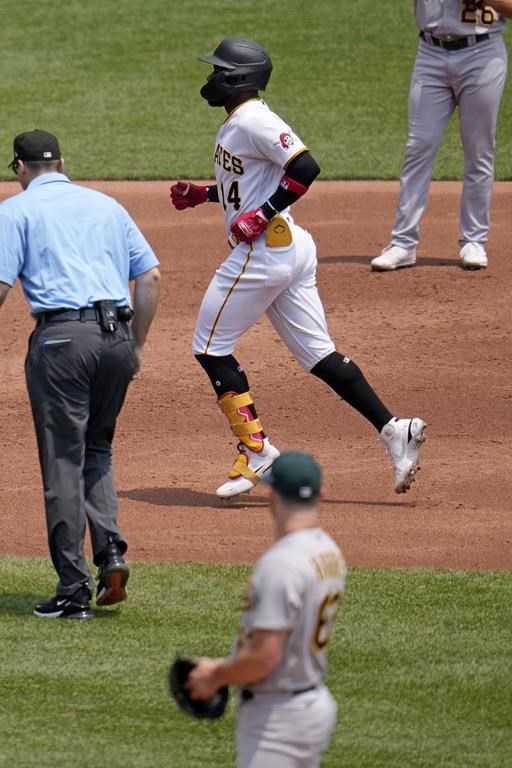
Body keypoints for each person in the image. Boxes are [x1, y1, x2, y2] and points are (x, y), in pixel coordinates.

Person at [170, 38, 426, 499]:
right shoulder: (240, 121)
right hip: (290, 249)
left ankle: (258, 449)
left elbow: (305, 167)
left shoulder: (254, 119)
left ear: (236, 77)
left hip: (265, 251)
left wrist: (262, 213)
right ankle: (395, 430)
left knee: (209, 347)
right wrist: (205, 195)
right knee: (319, 354)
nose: (210, 78)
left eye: (217, 70)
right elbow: (251, 182)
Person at [0, 129, 161, 619]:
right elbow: (150, 277)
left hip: (62, 343)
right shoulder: (107, 205)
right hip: (115, 338)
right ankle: (110, 550)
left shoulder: (16, 211)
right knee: (97, 448)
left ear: (20, 168)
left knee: (63, 460)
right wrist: (135, 347)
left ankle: (73, 590)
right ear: (63, 163)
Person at [186, 450, 347, 768]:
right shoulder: (329, 551)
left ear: (271, 495)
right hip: (310, 701)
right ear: (321, 494)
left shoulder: (280, 565)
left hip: (277, 717)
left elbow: (265, 657)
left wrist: (215, 676)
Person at [371, 0, 512, 272]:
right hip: (430, 54)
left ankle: (474, 240)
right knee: (419, 147)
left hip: (482, 54)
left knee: (478, 150)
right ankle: (403, 243)